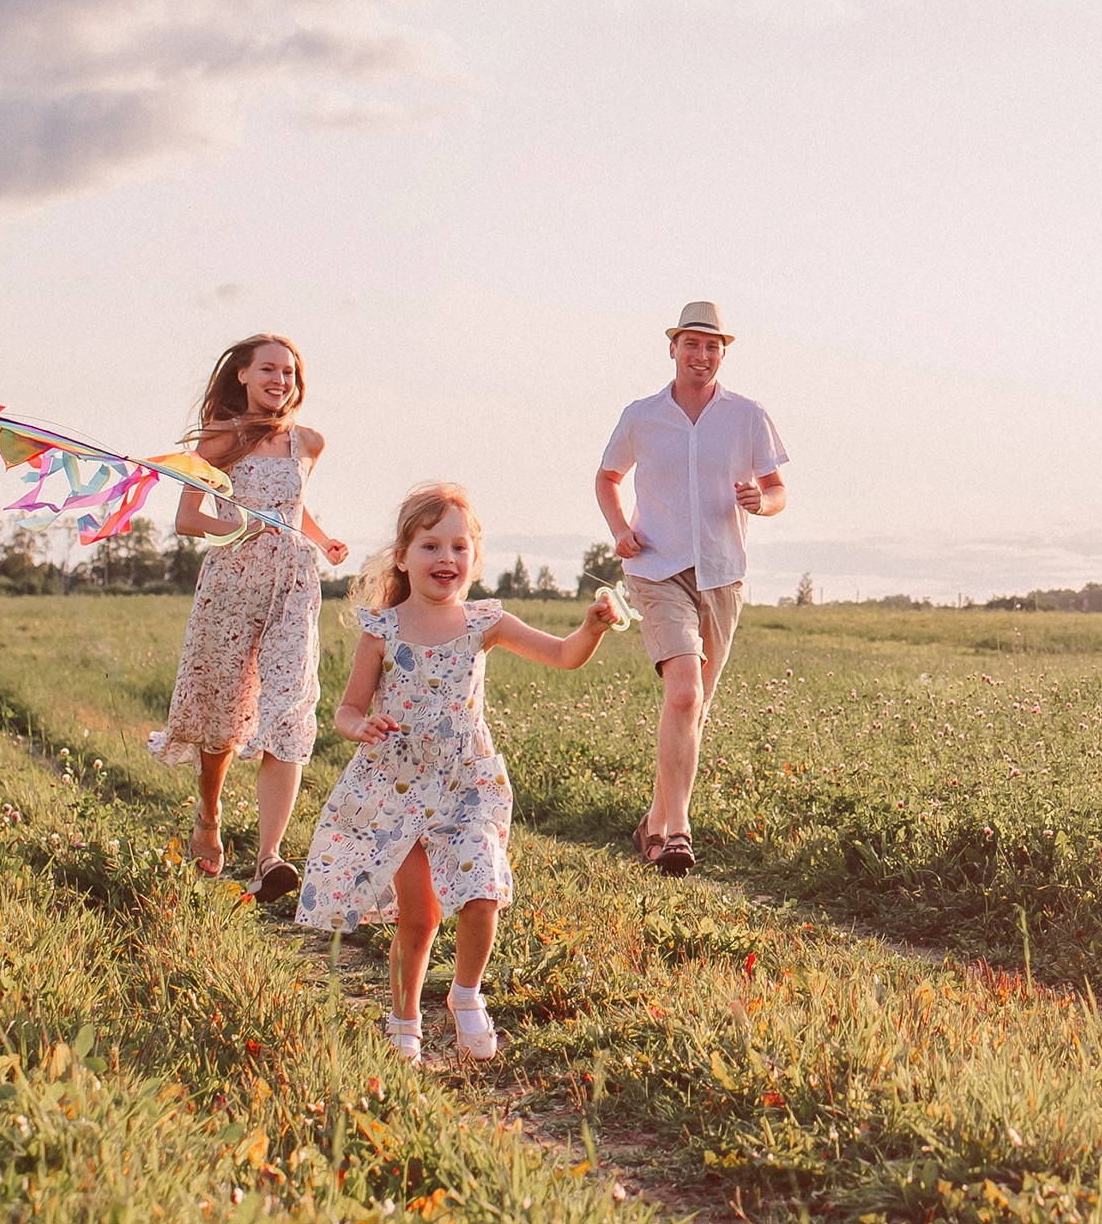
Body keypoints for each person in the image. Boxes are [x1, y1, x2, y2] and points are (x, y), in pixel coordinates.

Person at [296, 484, 624, 1063]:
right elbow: (348, 709)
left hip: (465, 782)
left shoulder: (485, 622)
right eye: (429, 546)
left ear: (473, 558)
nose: (445, 558)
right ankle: (403, 1021)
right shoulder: (383, 631)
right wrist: (359, 727)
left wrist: (592, 628)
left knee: (482, 893)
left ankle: (466, 996)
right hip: (397, 787)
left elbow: (565, 654)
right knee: (419, 917)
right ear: (403, 556)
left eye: (458, 546)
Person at [150, 334, 349, 898]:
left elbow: (297, 502)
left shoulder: (308, 442)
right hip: (232, 585)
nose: (280, 381)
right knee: (222, 712)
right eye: (269, 370)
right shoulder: (219, 440)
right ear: (242, 374)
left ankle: (269, 859)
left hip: (293, 585)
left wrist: (323, 538)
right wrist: (237, 526)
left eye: (289, 373)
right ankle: (209, 813)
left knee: (288, 708)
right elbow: (189, 519)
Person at [595, 301, 788, 875]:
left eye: (712, 347)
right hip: (657, 568)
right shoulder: (641, 415)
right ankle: (677, 830)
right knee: (683, 692)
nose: (701, 356)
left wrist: (764, 501)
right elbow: (608, 478)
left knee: (694, 707)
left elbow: (777, 488)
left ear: (722, 353)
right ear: (673, 347)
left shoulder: (748, 416)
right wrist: (621, 530)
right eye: (691, 344)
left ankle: (654, 823)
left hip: (724, 572)